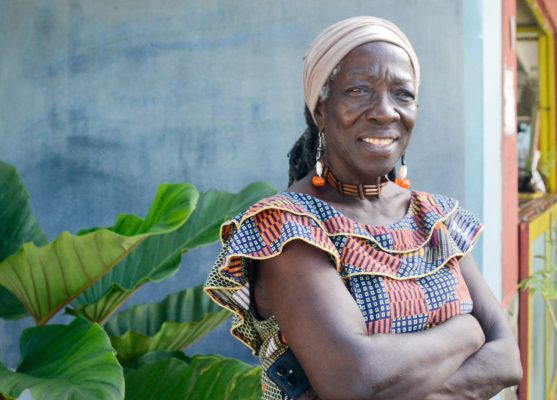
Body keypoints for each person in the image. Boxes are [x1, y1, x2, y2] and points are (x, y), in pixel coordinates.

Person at [204, 16, 522, 400]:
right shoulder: (287, 227)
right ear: (320, 109)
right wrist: (467, 332)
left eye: (402, 94)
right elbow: (355, 383)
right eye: (358, 90)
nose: (385, 112)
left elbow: (507, 360)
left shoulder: (436, 217)